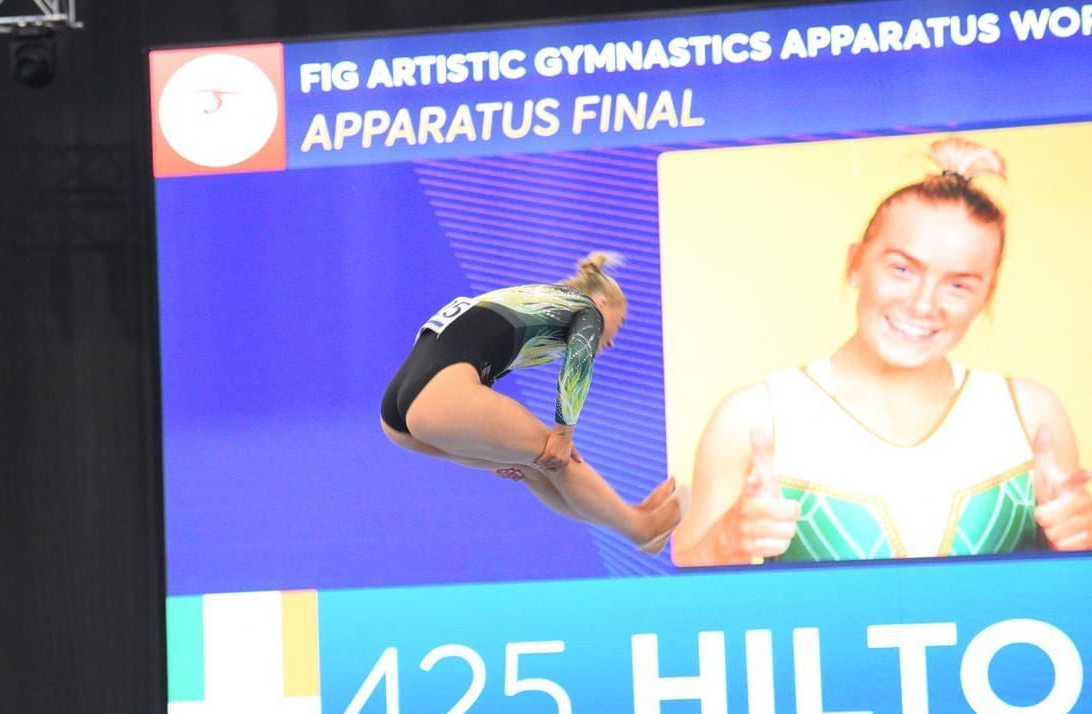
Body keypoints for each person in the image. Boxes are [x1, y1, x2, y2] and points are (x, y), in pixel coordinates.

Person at [673, 137, 1092, 566]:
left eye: (959, 285)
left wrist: (1078, 547)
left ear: (986, 295)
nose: (923, 305)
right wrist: (726, 543)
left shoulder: (1031, 416)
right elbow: (668, 598)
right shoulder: (754, 419)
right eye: (902, 269)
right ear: (856, 263)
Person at [381, 253, 684, 554]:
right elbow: (578, 365)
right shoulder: (586, 308)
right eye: (622, 321)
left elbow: (467, 344)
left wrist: (490, 447)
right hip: (439, 397)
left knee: (534, 463)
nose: (615, 338)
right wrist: (563, 435)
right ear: (603, 303)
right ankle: (642, 529)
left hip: (399, 412)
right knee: (556, 456)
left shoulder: (528, 302)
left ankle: (633, 517)